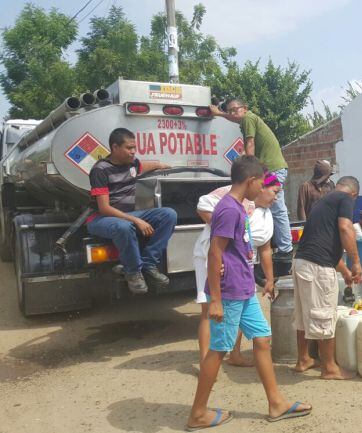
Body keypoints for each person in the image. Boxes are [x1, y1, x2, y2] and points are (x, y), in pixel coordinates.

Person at [186, 156, 310, 430]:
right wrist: (215, 299)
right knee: (219, 350)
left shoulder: (240, 208)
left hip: (244, 288)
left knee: (263, 338)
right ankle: (197, 413)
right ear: (251, 181)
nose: (262, 190)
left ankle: (276, 403)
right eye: (260, 184)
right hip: (229, 292)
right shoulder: (229, 209)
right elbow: (214, 251)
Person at [193, 175, 281, 368]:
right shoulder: (233, 202)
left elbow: (265, 248)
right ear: (259, 186)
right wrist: (225, 237)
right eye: (274, 192)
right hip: (216, 260)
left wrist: (269, 279)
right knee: (209, 311)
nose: (276, 198)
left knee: (241, 309)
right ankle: (205, 361)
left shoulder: (265, 214)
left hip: (242, 267)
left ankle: (235, 354)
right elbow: (202, 206)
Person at [86, 128, 174, 294]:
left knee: (168, 214)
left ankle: (148, 264)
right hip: (101, 218)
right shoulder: (100, 170)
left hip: (127, 215)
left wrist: (160, 165)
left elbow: (144, 165)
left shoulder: (132, 163)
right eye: (129, 148)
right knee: (124, 227)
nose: (133, 151)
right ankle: (133, 272)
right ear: (115, 147)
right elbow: (104, 208)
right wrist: (137, 221)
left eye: (134, 147)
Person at [292, 176, 362, 380]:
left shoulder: (322, 202)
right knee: (324, 314)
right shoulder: (345, 199)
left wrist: (344, 271)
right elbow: (345, 228)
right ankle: (330, 368)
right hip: (316, 268)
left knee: (304, 315)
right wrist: (355, 261)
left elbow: (323, 244)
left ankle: (304, 359)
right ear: (354, 194)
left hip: (301, 263)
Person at [211, 98, 292, 259]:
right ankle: (271, 246)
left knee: (276, 207)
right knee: (263, 206)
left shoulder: (248, 119)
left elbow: (250, 144)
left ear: (245, 108)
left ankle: (285, 250)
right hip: (271, 168)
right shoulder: (247, 119)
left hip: (273, 169)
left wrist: (249, 169)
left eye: (236, 109)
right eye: (230, 110)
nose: (233, 113)